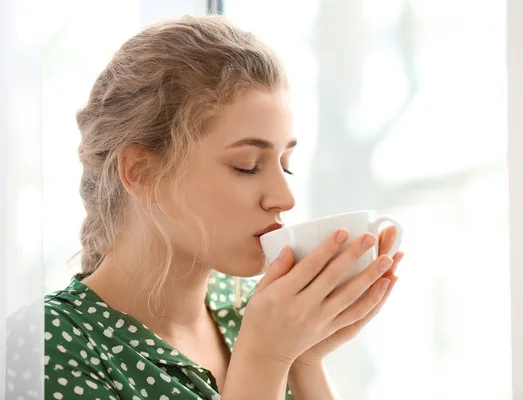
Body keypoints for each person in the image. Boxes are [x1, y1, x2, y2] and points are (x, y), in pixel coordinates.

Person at [36, 15, 403, 400]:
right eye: (247, 166)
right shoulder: (48, 344)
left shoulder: (254, 310)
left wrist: (304, 360)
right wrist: (264, 359)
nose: (285, 198)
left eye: (285, 165)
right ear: (141, 173)